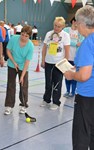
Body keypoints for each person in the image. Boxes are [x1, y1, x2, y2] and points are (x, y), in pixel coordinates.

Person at [64, 5, 94, 150]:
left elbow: (84, 76)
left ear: (81, 24)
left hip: (87, 97)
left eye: (76, 23)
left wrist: (71, 74)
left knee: (81, 135)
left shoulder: (88, 43)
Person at [40, 17, 70, 110]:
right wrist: (43, 60)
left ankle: (56, 102)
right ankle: (46, 99)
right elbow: (44, 48)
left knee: (57, 83)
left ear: (63, 26)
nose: (56, 28)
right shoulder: (49, 34)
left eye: (59, 26)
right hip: (48, 62)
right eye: (55, 25)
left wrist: (65, 64)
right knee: (48, 82)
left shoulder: (65, 35)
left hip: (59, 63)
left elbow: (67, 51)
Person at [4, 25, 34, 115]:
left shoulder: (30, 46)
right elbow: (8, 50)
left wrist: (22, 76)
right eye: (22, 34)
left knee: (23, 85)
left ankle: (23, 105)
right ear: (20, 33)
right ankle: (9, 106)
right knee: (11, 85)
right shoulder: (14, 39)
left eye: (26, 36)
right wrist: (13, 62)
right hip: (12, 64)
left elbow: (27, 62)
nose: (24, 37)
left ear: (29, 36)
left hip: (23, 66)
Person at [63, 17, 84, 98]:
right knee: (67, 75)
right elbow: (66, 41)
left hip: (76, 58)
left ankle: (73, 91)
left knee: (74, 76)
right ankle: (67, 91)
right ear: (73, 21)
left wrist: (78, 43)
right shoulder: (66, 30)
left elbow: (82, 42)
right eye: (77, 22)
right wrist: (74, 43)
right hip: (67, 57)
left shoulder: (80, 31)